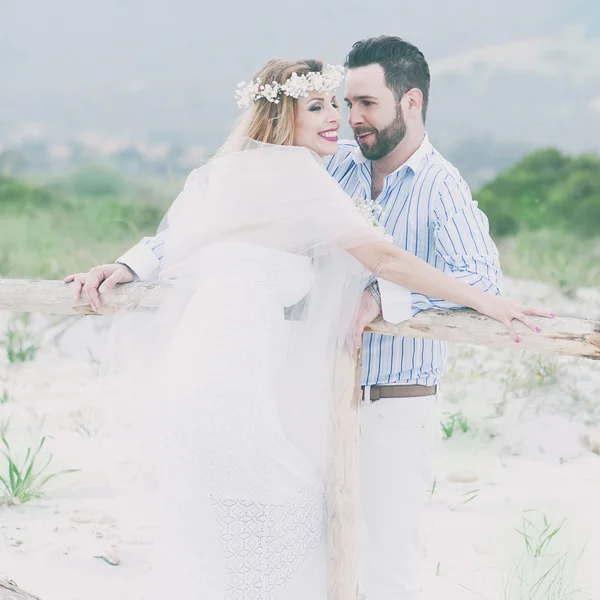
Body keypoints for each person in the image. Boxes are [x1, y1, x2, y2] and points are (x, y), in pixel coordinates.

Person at [65, 55, 548, 599]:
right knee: (289, 526)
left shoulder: (283, 170)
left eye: (350, 104)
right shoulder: (310, 170)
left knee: (242, 531)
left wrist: (458, 295)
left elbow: (400, 269)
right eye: (322, 105)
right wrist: (126, 267)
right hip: (238, 379)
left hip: (221, 374)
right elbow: (384, 260)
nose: (341, 118)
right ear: (282, 118)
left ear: (410, 102)